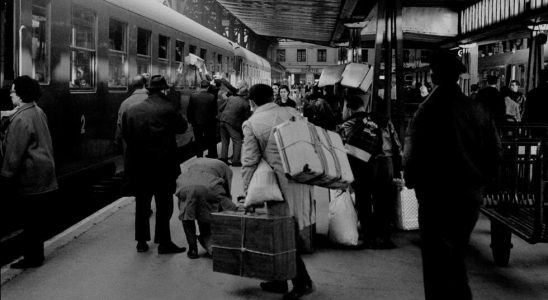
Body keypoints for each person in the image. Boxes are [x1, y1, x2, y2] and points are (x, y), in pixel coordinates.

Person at [404, 51, 502, 300]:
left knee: (436, 260)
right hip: (469, 196)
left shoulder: (426, 111)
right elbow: (495, 151)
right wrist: (483, 182)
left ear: (435, 75)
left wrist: (412, 181)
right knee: (456, 253)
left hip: (435, 195)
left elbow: (412, 153)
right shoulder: (477, 109)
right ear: (458, 77)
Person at [242, 84, 314, 300]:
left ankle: (302, 282)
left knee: (284, 234)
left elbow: (249, 161)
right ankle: (279, 280)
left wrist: (248, 194)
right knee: (285, 231)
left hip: (279, 186)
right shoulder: (291, 112)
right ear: (272, 97)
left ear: (252, 102)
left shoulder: (252, 123)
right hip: (302, 178)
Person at [122, 75, 188, 254]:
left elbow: (126, 135)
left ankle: (141, 242)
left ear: (148, 90)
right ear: (164, 90)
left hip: (140, 164)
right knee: (164, 204)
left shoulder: (132, 110)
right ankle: (164, 242)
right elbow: (182, 128)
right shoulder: (167, 108)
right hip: (164, 165)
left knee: (142, 204)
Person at [1, 75, 58, 268]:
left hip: (30, 176)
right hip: (44, 173)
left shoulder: (20, 120)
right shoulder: (36, 111)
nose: (10, 94)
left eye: (13, 91)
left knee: (29, 221)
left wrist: (6, 177)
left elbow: (14, 154)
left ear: (21, 94)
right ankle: (36, 255)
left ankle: (32, 259)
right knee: (35, 220)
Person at [338, 95, 403, 249]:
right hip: (386, 163)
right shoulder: (383, 120)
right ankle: (384, 238)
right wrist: (398, 168)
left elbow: (343, 149)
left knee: (364, 200)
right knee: (384, 201)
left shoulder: (348, 124)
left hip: (363, 164)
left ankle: (369, 238)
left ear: (348, 108)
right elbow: (396, 145)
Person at [175, 157, 237, 259]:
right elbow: (227, 190)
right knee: (211, 208)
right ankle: (211, 242)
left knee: (186, 214)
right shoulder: (226, 168)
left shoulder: (196, 161)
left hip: (184, 187)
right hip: (208, 187)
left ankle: (192, 248)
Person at [219, 80, 251, 167]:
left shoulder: (231, 98)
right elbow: (247, 117)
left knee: (224, 141)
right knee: (237, 140)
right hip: (231, 123)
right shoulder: (245, 104)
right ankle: (236, 161)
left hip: (222, 120)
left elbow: (221, 108)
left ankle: (223, 159)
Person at [187, 79, 218, 158]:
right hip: (209, 123)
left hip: (197, 123)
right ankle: (211, 154)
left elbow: (189, 110)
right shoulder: (212, 97)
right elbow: (215, 111)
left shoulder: (193, 96)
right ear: (208, 87)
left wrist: (190, 121)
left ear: (200, 86)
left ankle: (199, 155)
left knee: (198, 140)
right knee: (210, 140)